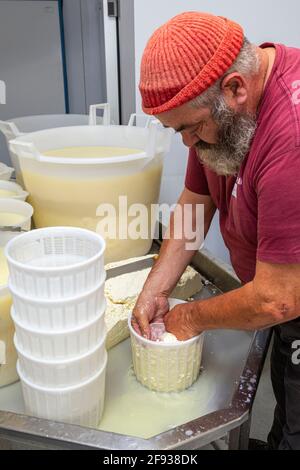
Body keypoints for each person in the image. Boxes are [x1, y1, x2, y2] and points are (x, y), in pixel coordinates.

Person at [132, 11, 300, 450]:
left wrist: (188, 317)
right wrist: (155, 287)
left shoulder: (291, 137)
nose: (187, 143)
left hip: (291, 294)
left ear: (235, 88)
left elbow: (277, 298)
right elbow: (195, 204)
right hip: (285, 299)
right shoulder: (218, 119)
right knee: (288, 393)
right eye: (176, 131)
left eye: (189, 128)